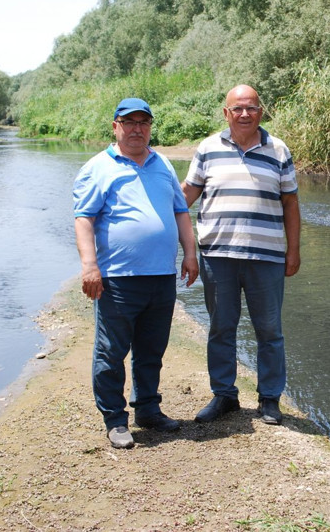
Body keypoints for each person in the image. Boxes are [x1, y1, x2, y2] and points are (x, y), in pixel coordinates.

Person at [73, 97, 198, 449]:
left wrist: (190, 254)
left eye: (143, 122)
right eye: (129, 122)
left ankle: (147, 409)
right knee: (111, 352)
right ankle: (115, 420)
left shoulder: (162, 165)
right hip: (117, 279)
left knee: (151, 349)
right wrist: (89, 266)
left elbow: (180, 212)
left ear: (150, 127)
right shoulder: (98, 167)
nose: (137, 129)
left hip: (161, 276)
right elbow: (84, 218)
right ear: (115, 126)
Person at [182, 84, 301, 426]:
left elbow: (290, 203)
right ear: (226, 113)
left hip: (267, 257)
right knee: (221, 327)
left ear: (260, 111)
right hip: (217, 256)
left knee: (269, 330)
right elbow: (185, 197)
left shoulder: (278, 150)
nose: (245, 114)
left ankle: (269, 399)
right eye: (238, 109)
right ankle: (224, 395)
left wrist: (294, 250)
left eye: (251, 108)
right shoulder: (207, 148)